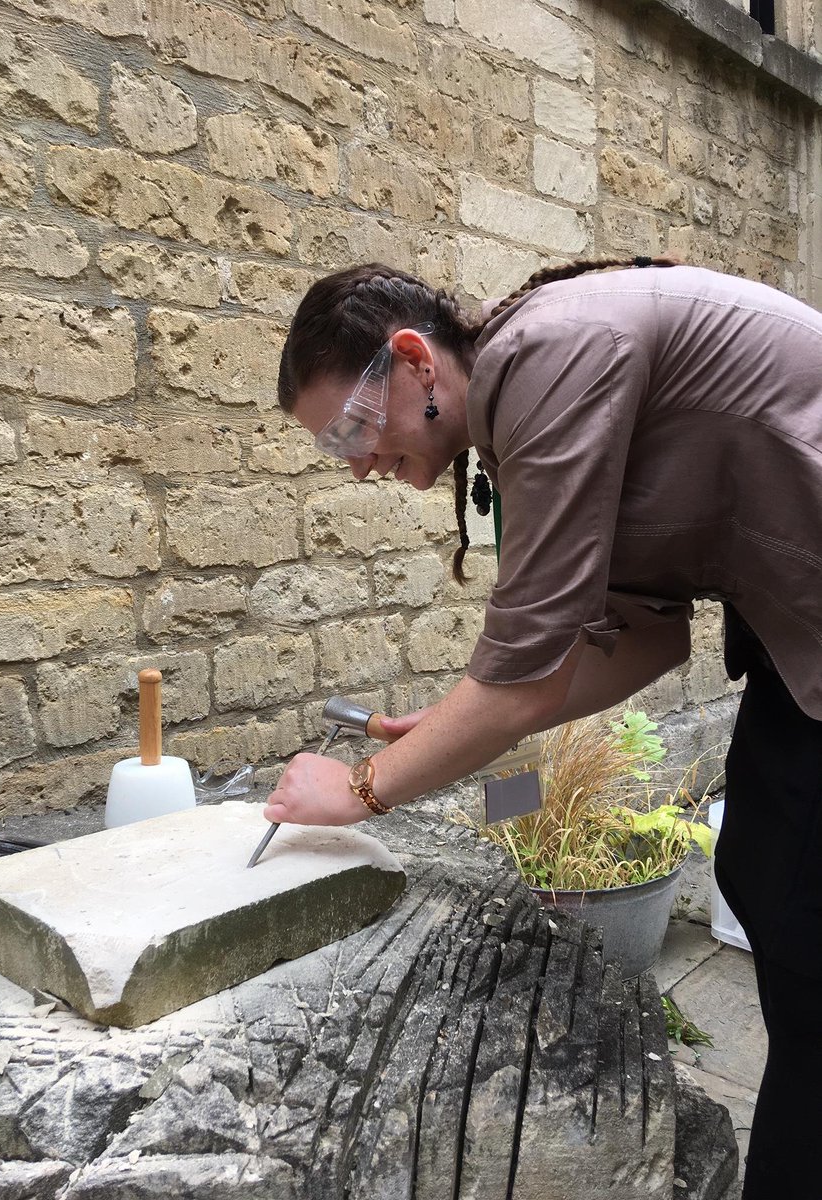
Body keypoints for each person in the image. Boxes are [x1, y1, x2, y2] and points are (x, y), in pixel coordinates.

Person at [266, 255, 822, 1199]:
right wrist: (455, 722)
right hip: (794, 649)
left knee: (801, 926)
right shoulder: (526, 396)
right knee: (765, 878)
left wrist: (357, 790)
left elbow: (521, 683)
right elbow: (642, 637)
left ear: (415, 361)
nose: (357, 462)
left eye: (353, 428)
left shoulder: (548, 353)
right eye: (335, 448)